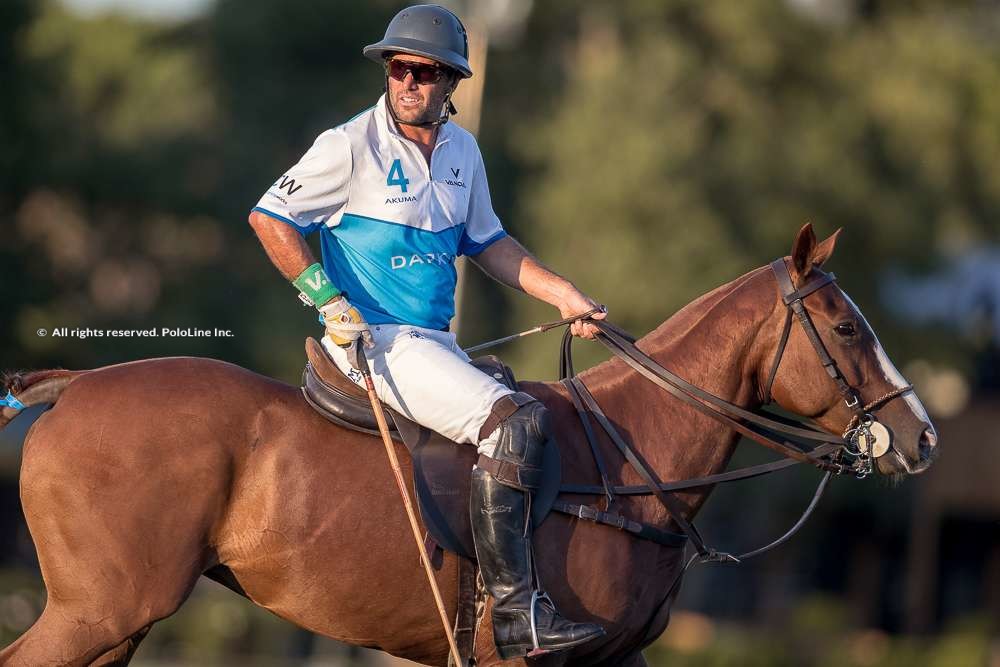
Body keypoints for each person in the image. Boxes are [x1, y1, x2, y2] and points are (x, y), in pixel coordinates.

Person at [248, 5, 605, 659]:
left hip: (433, 341)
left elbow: (489, 242)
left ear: (450, 83)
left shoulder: (463, 151)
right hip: (373, 339)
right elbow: (270, 217)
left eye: (426, 72)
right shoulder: (348, 145)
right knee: (515, 423)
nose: (409, 82)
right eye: (400, 68)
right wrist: (326, 299)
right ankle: (516, 612)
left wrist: (563, 295)